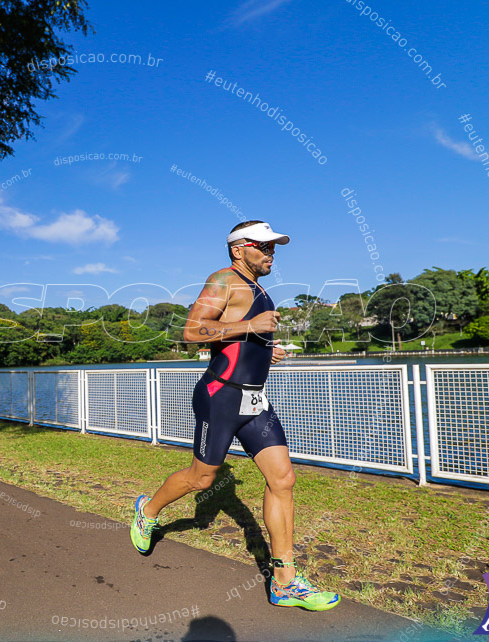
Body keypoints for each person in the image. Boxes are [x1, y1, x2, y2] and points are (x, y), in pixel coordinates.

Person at [130, 220, 340, 612]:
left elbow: (240, 339)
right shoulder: (223, 281)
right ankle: (148, 511)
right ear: (238, 249)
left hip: (255, 400)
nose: (271, 253)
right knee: (202, 478)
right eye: (263, 246)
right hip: (220, 398)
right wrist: (251, 326)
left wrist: (264, 348)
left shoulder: (259, 289)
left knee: (283, 479)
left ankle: (285, 582)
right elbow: (192, 332)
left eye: (274, 247)